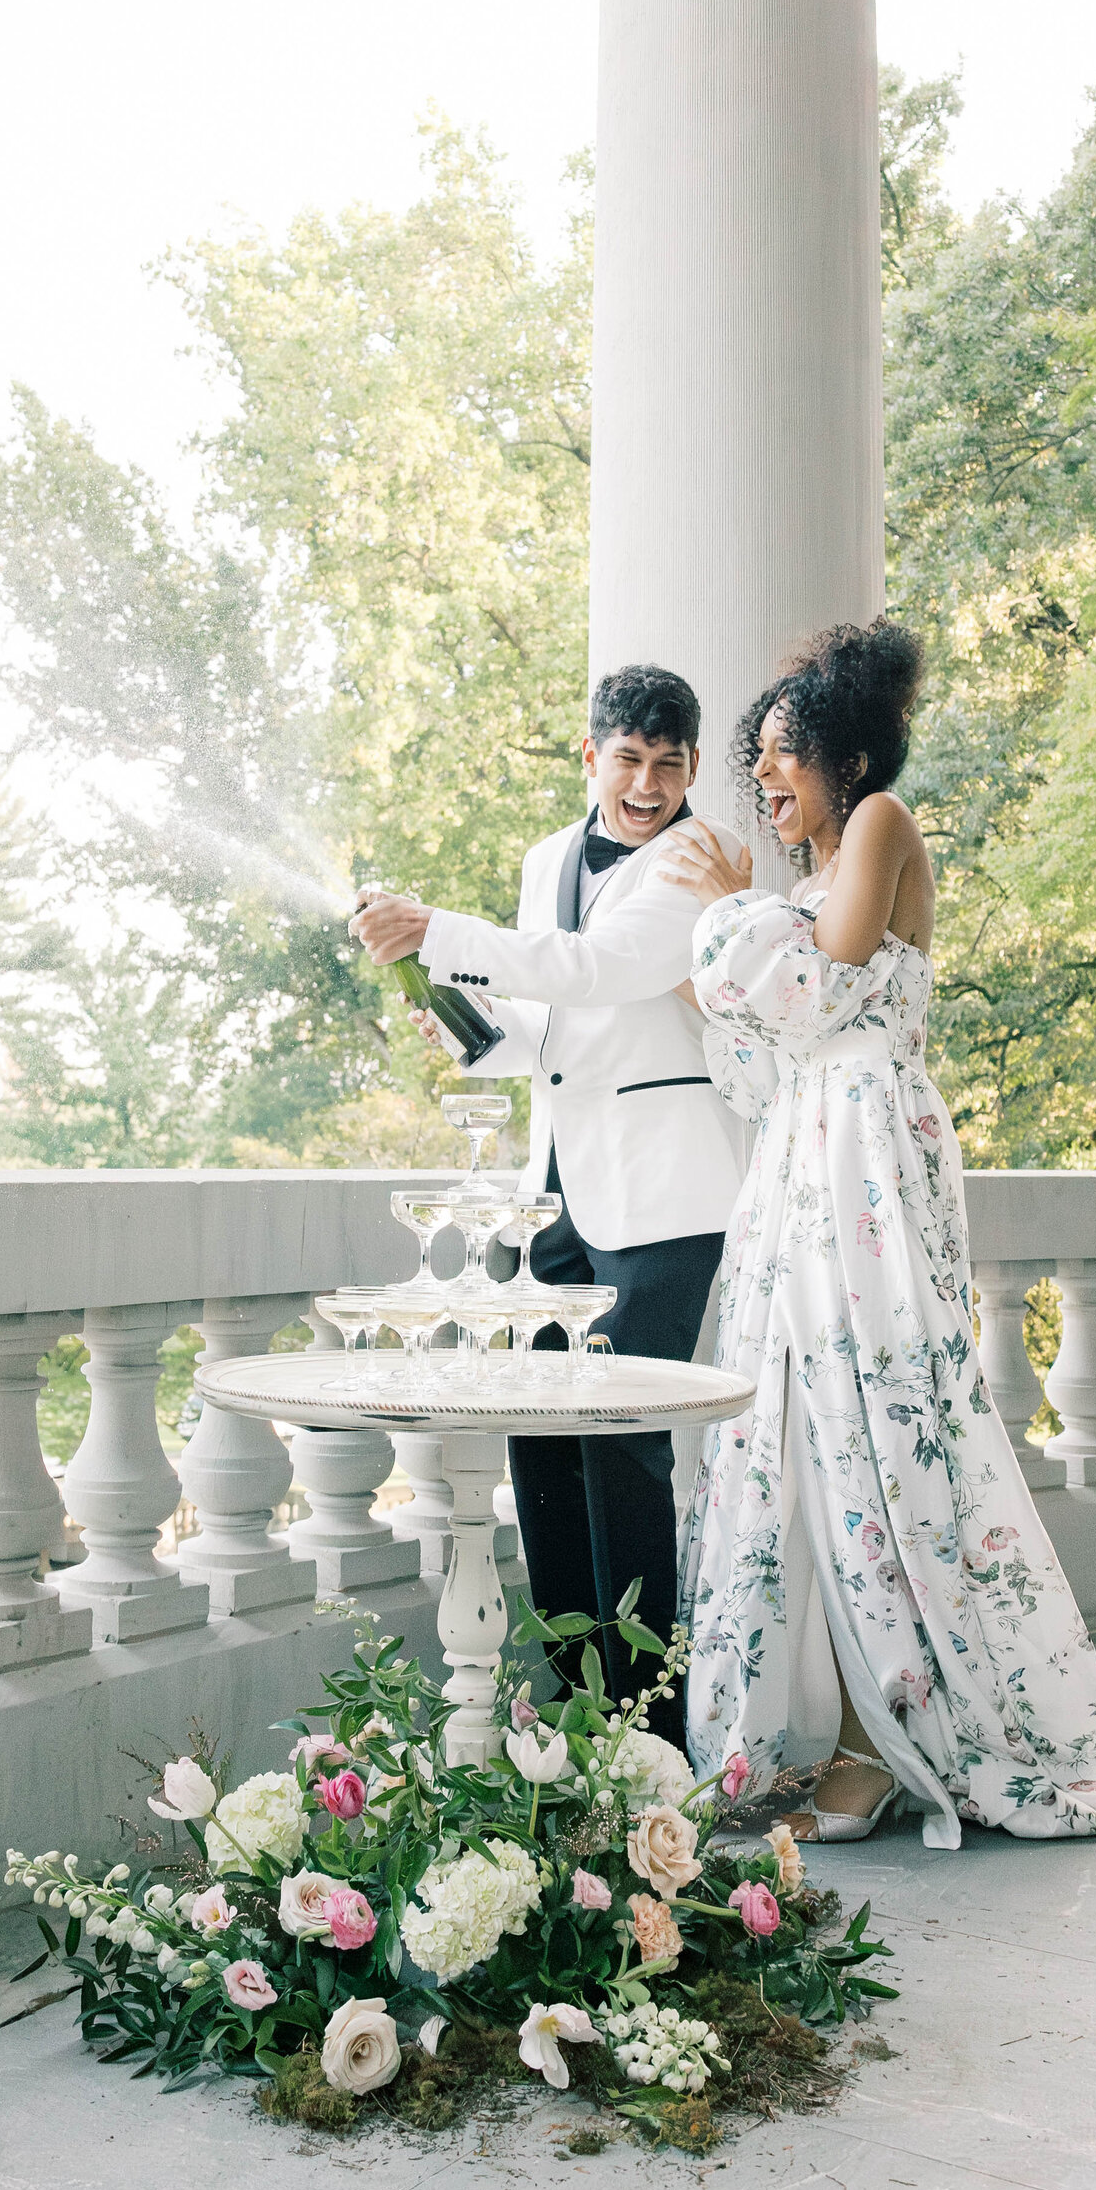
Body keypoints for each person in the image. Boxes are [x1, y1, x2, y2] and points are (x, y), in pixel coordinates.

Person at [660, 619, 1096, 1848]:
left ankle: (879, 1740)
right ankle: (831, 1724)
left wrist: (730, 913)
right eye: (764, 760)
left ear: (844, 753)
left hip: (864, 1158)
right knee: (797, 1435)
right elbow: (752, 1034)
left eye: (787, 756)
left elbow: (822, 975)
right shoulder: (798, 883)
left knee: (874, 1429)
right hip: (801, 1153)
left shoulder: (883, 825)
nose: (771, 781)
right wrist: (729, 929)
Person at [349, 664, 747, 1727]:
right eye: (628, 760)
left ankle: (646, 1726)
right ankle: (571, 1707)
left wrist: (435, 927)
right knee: (539, 1434)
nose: (648, 784)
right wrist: (455, 1016)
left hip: (663, 1199)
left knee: (622, 1445)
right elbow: (543, 1026)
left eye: (670, 765)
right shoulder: (546, 859)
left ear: (694, 767)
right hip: (555, 1199)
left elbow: (596, 969)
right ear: (591, 756)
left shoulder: (694, 861)